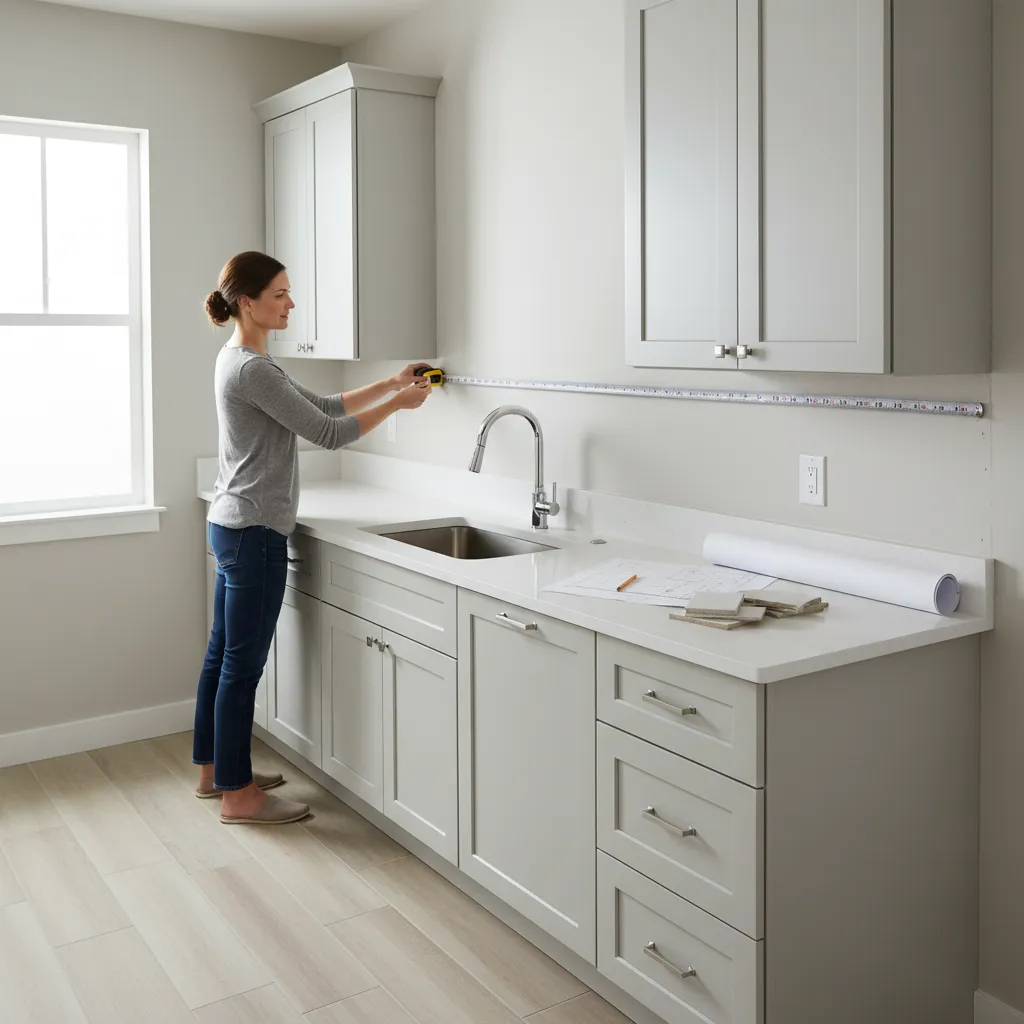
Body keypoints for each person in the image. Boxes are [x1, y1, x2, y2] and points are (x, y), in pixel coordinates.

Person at [194, 251, 431, 825]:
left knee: (222, 656)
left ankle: (216, 771)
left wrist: (391, 382)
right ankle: (238, 795)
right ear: (247, 302)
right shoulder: (253, 369)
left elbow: (320, 406)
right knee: (240, 666)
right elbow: (328, 432)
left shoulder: (242, 360)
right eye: (279, 295)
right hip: (254, 531)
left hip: (231, 522)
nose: (291, 304)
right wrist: (399, 405)